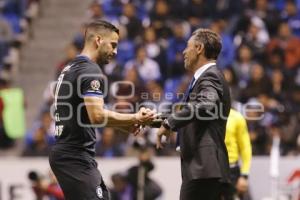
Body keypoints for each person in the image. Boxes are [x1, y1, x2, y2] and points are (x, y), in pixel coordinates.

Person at [49, 20, 155, 200]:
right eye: (113, 45)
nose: (115, 51)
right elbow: (97, 116)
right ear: (98, 40)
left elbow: (84, 114)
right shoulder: (90, 70)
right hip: (75, 156)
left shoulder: (69, 68)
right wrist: (134, 118)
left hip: (68, 153)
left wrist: (124, 125)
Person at [156, 28, 231, 200]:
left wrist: (169, 123)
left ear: (199, 48)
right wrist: (157, 121)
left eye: (187, 47)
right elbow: (195, 112)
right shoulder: (206, 77)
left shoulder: (210, 76)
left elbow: (205, 104)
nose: (183, 52)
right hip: (203, 169)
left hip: (204, 169)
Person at [224, 108, 252, 200]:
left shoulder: (236, 117)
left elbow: (245, 147)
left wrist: (244, 175)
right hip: (210, 170)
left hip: (232, 171)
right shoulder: (205, 117)